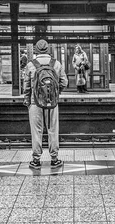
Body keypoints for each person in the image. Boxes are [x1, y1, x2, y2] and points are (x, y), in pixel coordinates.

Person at [23, 39, 68, 169]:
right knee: (53, 130)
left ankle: (36, 160)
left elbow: (26, 86)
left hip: (35, 102)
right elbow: (64, 82)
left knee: (36, 131)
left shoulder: (31, 65)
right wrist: (54, 93)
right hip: (52, 103)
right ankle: (54, 159)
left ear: (36, 50)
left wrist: (27, 100)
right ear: (48, 49)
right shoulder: (56, 63)